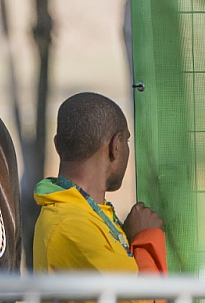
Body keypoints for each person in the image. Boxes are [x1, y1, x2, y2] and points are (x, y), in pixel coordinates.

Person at [33, 92, 167, 276]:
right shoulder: (70, 226)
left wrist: (127, 239)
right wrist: (145, 239)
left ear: (57, 145)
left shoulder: (85, 212)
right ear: (116, 146)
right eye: (126, 140)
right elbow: (137, 298)